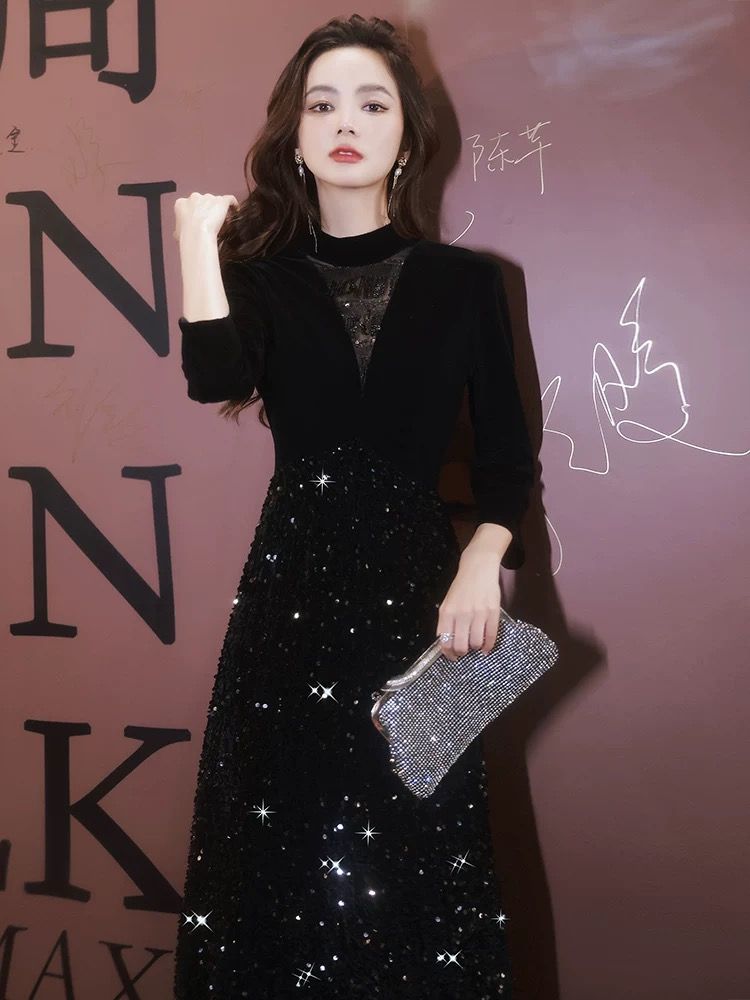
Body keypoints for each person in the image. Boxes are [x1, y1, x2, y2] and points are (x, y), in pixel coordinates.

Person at [172, 13, 536, 999]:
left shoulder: (470, 284)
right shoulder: (260, 281)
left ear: (407, 137)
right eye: (321, 104)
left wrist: (480, 562)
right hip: (288, 605)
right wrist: (197, 245)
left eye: (372, 104)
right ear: (294, 137)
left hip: (424, 602)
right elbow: (214, 377)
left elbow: (507, 462)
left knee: (420, 870)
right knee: (277, 863)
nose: (345, 122)